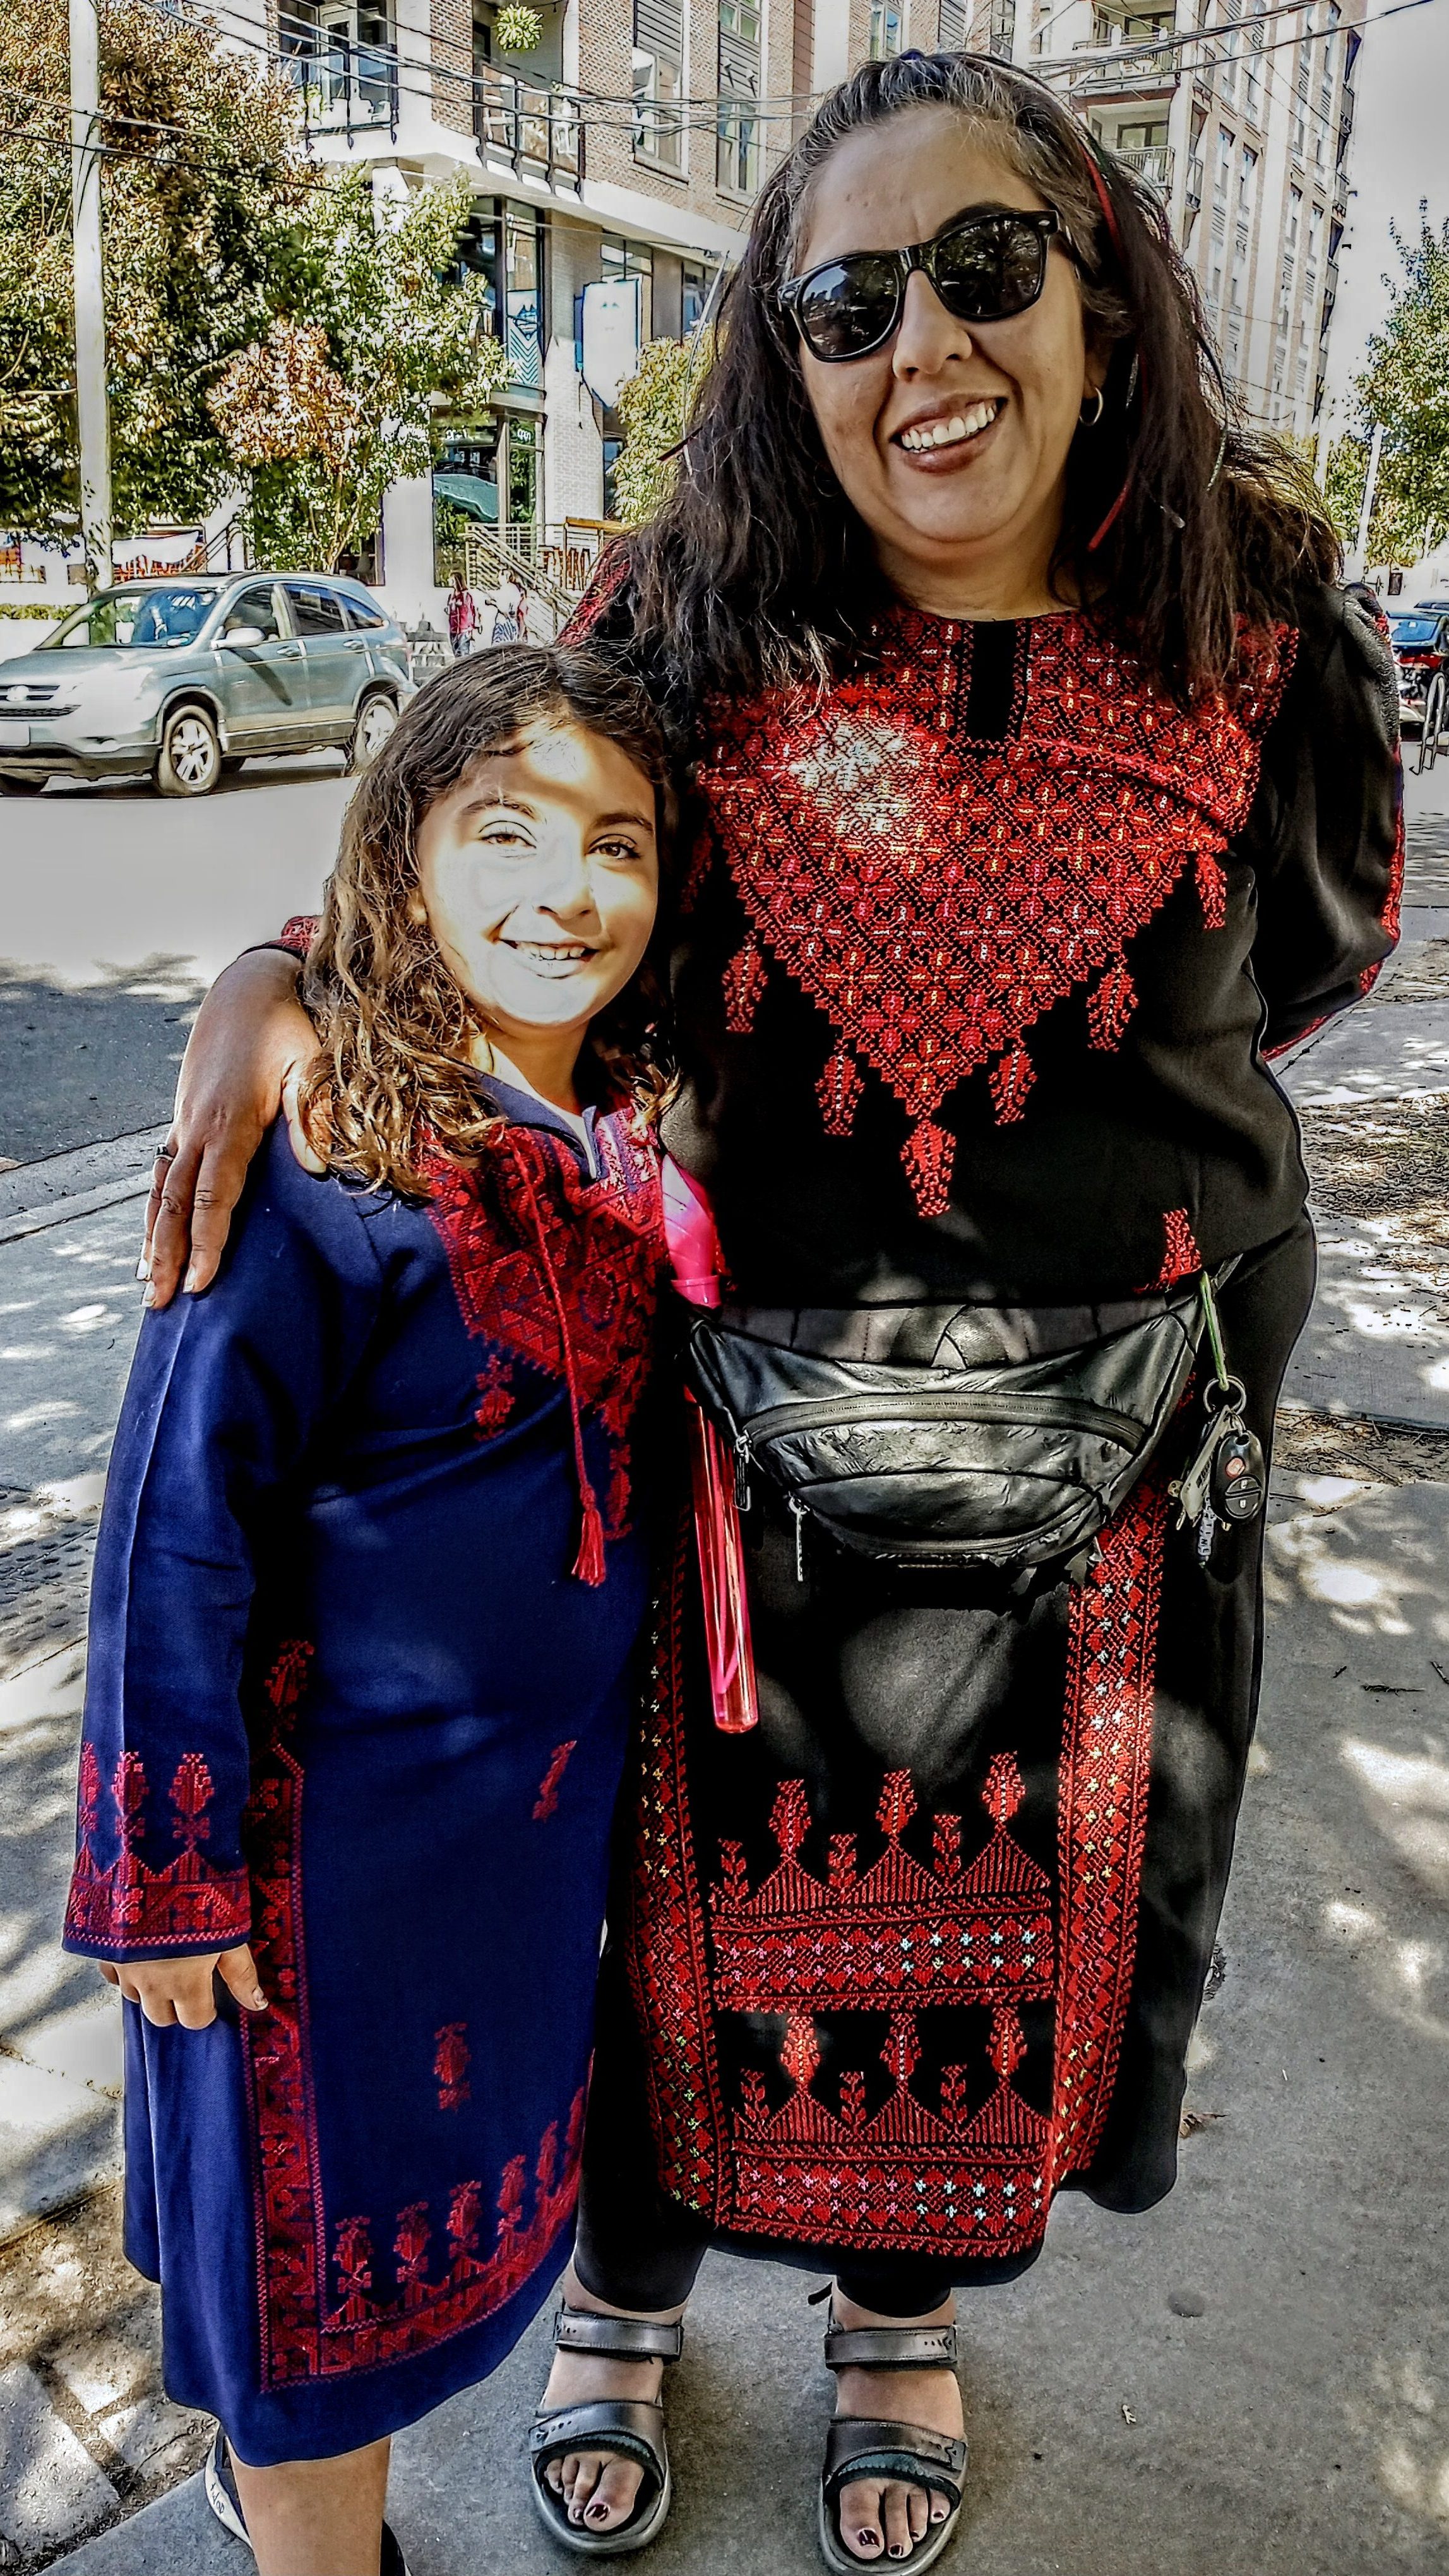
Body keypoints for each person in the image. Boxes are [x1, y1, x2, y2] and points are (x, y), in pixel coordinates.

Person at [136, 52, 1401, 2576]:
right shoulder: (675, 613)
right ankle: (626, 2299)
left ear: (1102, 294)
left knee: (986, 1954)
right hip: (713, 1466)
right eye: (846, 299)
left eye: (982, 269)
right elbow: (495, 879)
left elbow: (1309, 976)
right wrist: (279, 972)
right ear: (781, 349)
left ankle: (892, 2325)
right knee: (654, 1918)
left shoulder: (1264, 629)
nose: (919, 349)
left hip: (1100, 1499)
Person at [64, 645, 678, 2576]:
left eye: (619, 844)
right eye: (501, 831)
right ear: (394, 863)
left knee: (443, 2240)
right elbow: (172, 1516)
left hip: (508, 1872)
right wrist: (160, 1880)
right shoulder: (319, 1152)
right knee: (304, 2300)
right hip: (306, 1888)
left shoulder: (635, 1150)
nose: (562, 889)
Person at [446, 568, 477, 658]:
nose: (449, 581)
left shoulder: (465, 596)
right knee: (456, 654)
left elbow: (470, 612)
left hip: (463, 630)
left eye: (452, 579)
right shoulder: (451, 596)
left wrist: (470, 628)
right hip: (454, 630)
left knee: (464, 654)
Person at [491, 566, 525, 645]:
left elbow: (504, 608)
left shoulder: (506, 589)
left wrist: (493, 603)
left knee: (499, 648)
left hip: (503, 623)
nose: (498, 578)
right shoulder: (514, 588)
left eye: (499, 576)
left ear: (505, 577)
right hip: (513, 623)